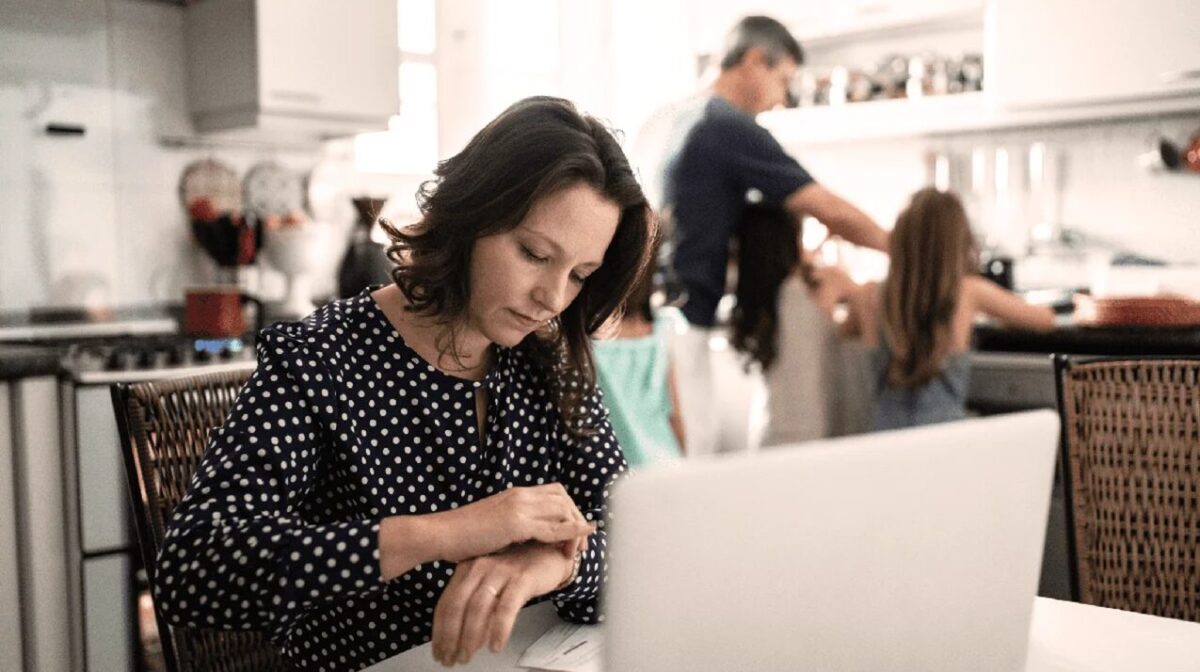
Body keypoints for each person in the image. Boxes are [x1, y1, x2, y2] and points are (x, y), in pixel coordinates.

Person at [153, 96, 655, 671]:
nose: (553, 297)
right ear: (470, 219)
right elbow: (192, 572)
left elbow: (634, 544)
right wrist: (445, 533)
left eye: (579, 275)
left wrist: (552, 565)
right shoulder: (319, 358)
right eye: (534, 254)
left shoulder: (549, 361)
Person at [658, 15, 890, 455]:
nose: (781, 99)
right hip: (686, 324)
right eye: (782, 80)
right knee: (690, 462)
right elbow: (830, 209)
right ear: (753, 61)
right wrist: (908, 249)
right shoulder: (728, 125)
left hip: (659, 319)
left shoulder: (682, 116)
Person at [732, 188, 1055, 435]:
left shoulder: (871, 296)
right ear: (960, 242)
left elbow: (839, 334)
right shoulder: (968, 292)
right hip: (949, 440)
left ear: (898, 239)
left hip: (886, 440)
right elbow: (1044, 321)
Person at [592, 247, 686, 467]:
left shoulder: (588, 341)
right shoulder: (660, 333)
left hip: (616, 468)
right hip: (664, 461)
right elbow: (675, 415)